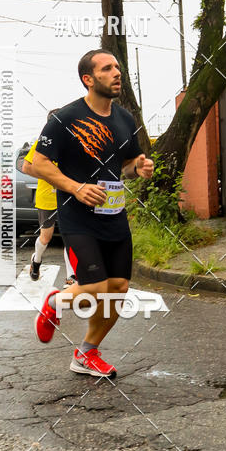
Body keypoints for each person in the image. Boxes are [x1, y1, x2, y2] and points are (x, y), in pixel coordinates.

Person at [31, 49, 153, 378]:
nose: (117, 73)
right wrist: (75, 187)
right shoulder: (66, 118)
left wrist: (139, 167)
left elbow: (127, 165)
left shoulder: (125, 119)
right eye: (107, 68)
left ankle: (86, 353)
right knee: (97, 288)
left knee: (117, 291)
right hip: (78, 215)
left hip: (114, 214)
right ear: (89, 79)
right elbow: (36, 164)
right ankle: (55, 302)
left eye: (117, 67)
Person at [22, 109, 76, 284]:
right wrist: (49, 175)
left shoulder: (70, 144)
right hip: (47, 197)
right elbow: (26, 168)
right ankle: (36, 260)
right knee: (46, 237)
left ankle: (71, 276)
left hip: (67, 196)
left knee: (70, 236)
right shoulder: (42, 143)